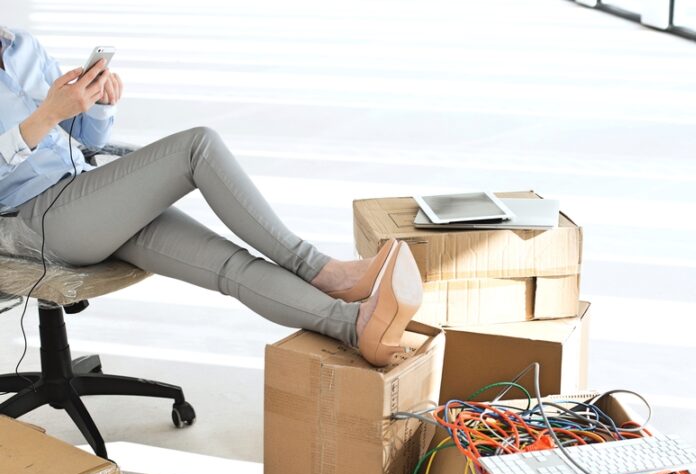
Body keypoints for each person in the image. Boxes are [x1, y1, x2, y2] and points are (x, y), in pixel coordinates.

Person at [0, 26, 421, 367]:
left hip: (88, 195)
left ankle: (355, 325)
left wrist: (98, 106)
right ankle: (324, 271)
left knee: (229, 266)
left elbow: (85, 137)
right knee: (196, 147)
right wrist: (49, 113)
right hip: (36, 221)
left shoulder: (24, 47)